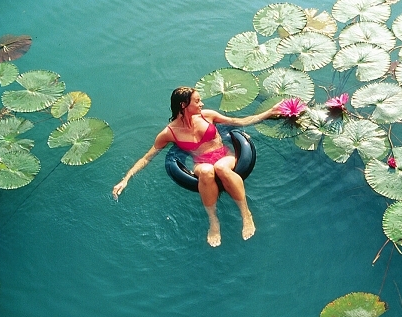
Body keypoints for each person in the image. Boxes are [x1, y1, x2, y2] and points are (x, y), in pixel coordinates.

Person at [112, 86, 282, 247]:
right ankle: (213, 221)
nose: (202, 104)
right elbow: (147, 157)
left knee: (221, 168)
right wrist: (126, 179)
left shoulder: (207, 116)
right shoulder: (169, 133)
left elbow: (239, 121)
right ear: (183, 105)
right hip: (202, 162)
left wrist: (269, 112)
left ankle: (246, 214)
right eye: (197, 101)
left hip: (224, 156)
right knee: (207, 171)